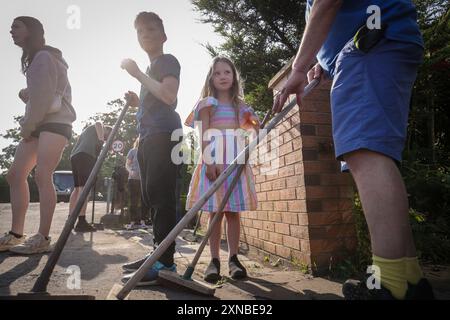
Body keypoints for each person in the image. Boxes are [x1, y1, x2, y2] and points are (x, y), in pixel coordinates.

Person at [272, 0, 433, 300]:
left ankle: (390, 285)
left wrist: (299, 67)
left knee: (364, 152)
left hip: (370, 46)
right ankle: (408, 279)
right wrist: (324, 61)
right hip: (379, 42)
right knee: (376, 155)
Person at [0, 17, 76, 254]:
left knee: (43, 175)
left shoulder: (43, 57)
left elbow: (43, 99)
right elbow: (44, 92)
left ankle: (43, 237)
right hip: (42, 123)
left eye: (16, 26)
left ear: (31, 31)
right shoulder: (40, 58)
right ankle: (16, 233)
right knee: (15, 175)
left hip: (54, 123)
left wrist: (26, 126)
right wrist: (29, 94)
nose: (11, 31)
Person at [120, 12, 182, 286]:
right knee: (150, 196)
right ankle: (157, 252)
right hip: (147, 137)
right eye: (140, 30)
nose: (145, 33)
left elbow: (169, 96)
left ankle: (165, 262)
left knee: (161, 195)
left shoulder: (167, 61)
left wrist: (137, 75)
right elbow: (156, 96)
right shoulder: (151, 70)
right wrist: (138, 100)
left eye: (152, 29)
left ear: (163, 36)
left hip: (164, 135)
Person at [185, 57, 260, 283]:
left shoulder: (240, 106)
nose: (223, 76)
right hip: (214, 161)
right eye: (217, 73)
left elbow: (252, 130)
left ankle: (234, 258)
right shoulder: (207, 104)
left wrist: (256, 122)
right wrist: (209, 162)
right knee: (215, 212)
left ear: (234, 76)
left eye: (227, 72)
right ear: (211, 78)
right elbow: (204, 134)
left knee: (232, 212)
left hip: (235, 162)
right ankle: (214, 259)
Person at [69, 122, 112, 232]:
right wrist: (102, 140)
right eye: (109, 137)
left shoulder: (89, 133)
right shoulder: (99, 127)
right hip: (85, 156)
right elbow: (98, 123)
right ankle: (81, 221)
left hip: (76, 156)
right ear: (108, 131)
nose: (107, 140)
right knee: (85, 189)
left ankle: (70, 219)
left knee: (78, 188)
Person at [125, 138, 150, 230]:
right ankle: (132, 222)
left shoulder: (147, 151)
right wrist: (130, 171)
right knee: (133, 200)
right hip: (133, 179)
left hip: (144, 179)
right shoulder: (132, 151)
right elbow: (127, 164)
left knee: (144, 200)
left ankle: (143, 221)